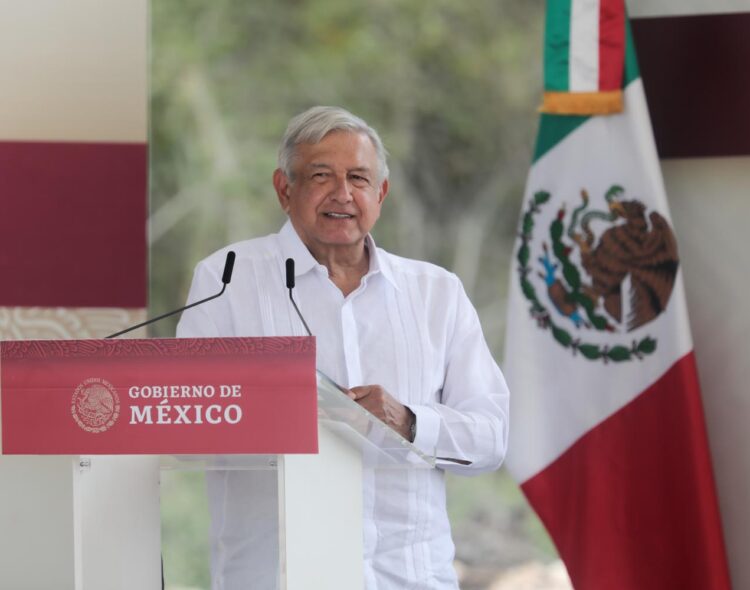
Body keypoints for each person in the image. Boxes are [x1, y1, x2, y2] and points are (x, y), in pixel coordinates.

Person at [176, 106, 510, 589]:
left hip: (408, 578)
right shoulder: (226, 278)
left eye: (358, 177)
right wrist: (274, 414)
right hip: (276, 578)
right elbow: (190, 420)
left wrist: (408, 421)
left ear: (382, 193)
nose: (342, 194)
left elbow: (491, 437)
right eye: (320, 177)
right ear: (284, 189)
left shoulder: (436, 292)